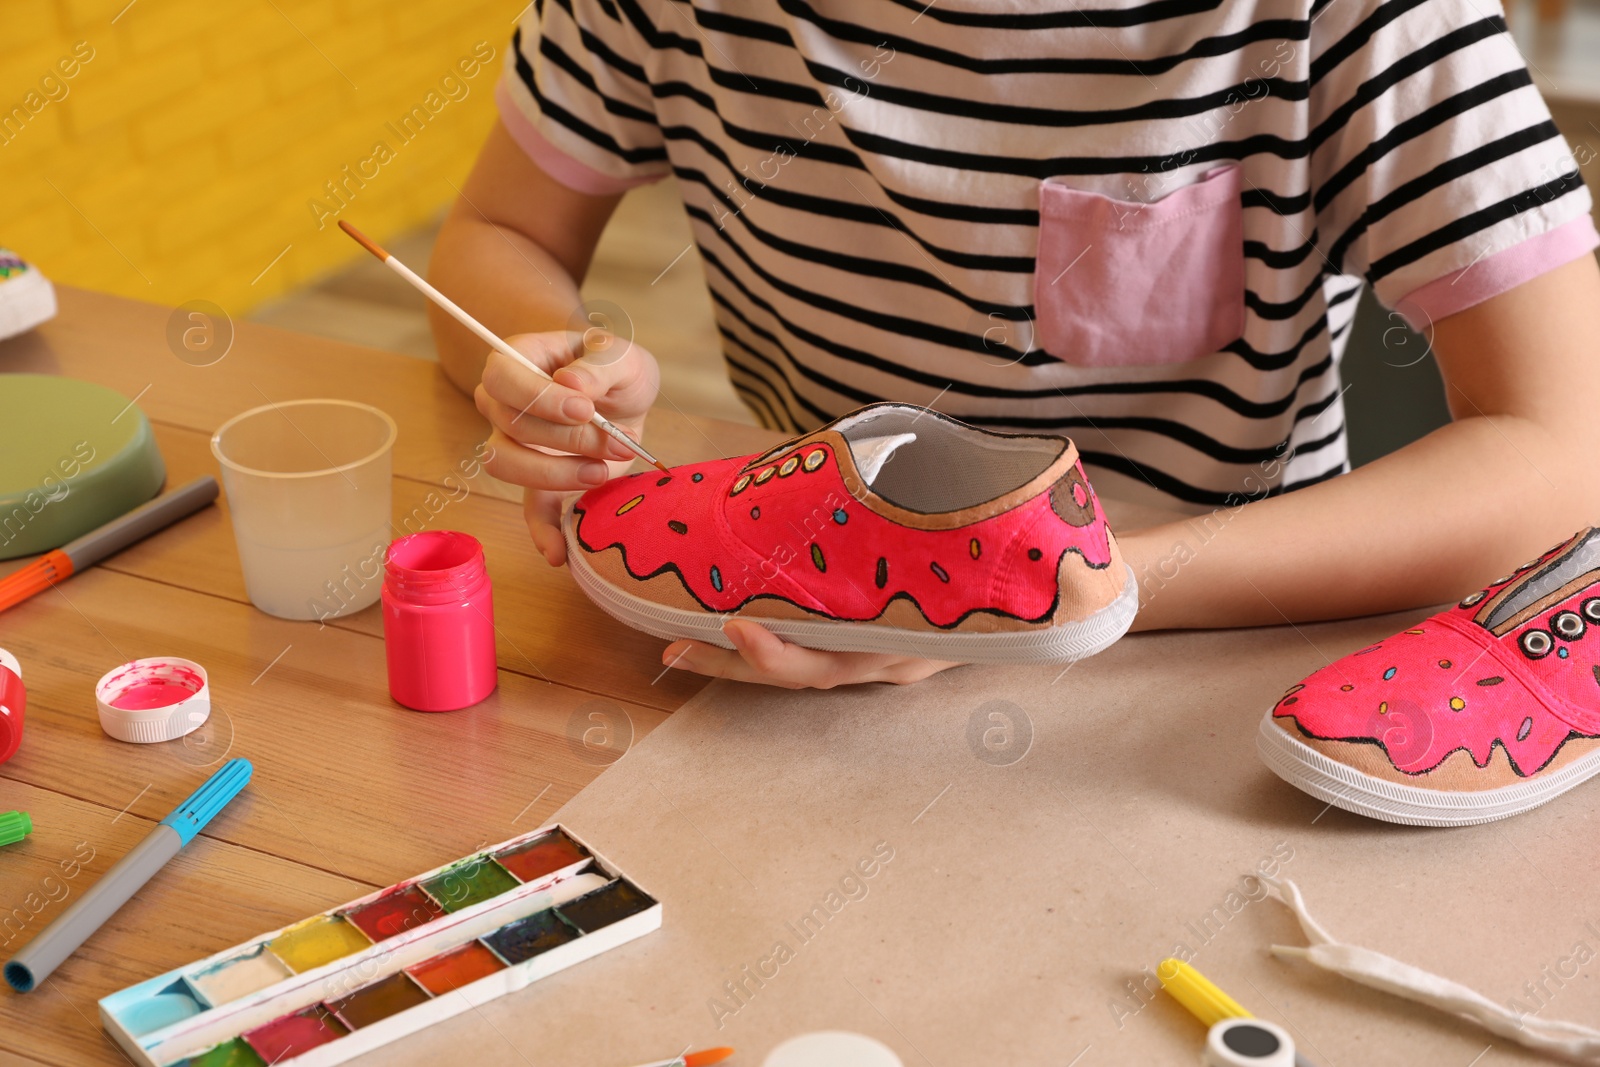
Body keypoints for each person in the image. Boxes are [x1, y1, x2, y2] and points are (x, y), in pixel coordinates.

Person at [429, 0, 1600, 689]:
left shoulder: (1354, 19)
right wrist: (548, 357)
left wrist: (1081, 589)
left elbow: (1563, 447)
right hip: (805, 619)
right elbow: (497, 231)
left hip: (1224, 650)